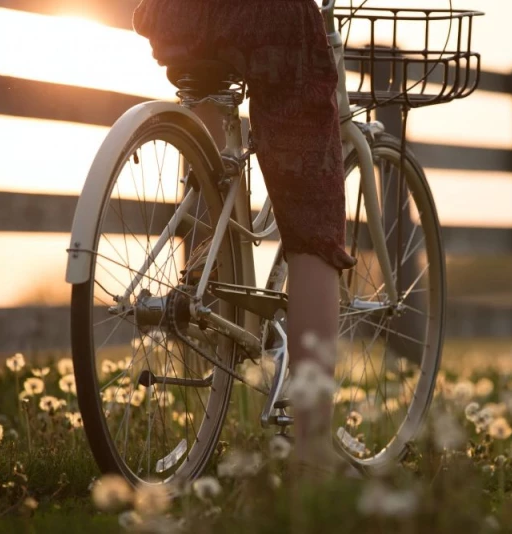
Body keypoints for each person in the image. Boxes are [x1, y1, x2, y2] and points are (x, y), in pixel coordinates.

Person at [132, 0, 356, 475]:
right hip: (268, 17)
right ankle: (313, 452)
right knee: (313, 227)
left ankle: (205, 281)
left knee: (209, 140)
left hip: (177, 14)